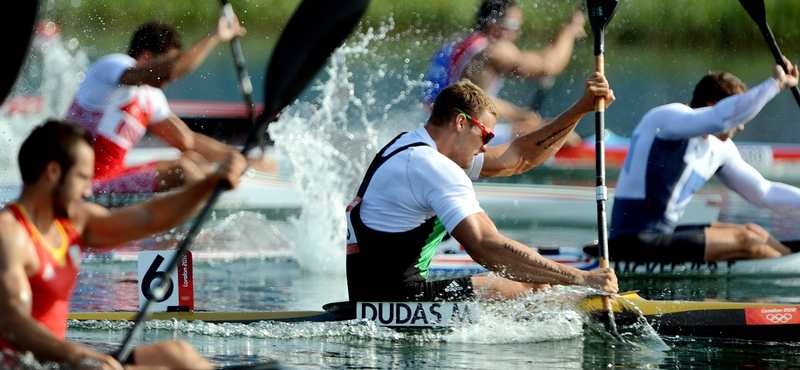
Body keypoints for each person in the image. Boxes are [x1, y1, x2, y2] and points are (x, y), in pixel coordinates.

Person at [346, 74, 617, 303]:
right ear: (460, 123)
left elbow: (519, 157)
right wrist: (581, 278)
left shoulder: (408, 146)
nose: (487, 144)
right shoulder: (432, 167)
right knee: (536, 289)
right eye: (486, 134)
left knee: (535, 277)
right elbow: (487, 247)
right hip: (401, 300)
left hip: (374, 298)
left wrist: (580, 109)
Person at [0, 120, 247, 369]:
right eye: (83, 178)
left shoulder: (76, 223)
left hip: (63, 361)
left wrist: (209, 183)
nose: (87, 191)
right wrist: (78, 357)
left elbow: (151, 217)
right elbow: (12, 323)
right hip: (29, 364)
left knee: (177, 353)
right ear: (53, 172)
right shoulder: (9, 233)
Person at [609, 57, 800, 263]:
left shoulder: (721, 148)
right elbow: (722, 118)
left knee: (754, 231)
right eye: (740, 119)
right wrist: (776, 84)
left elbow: (765, 192)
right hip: (631, 242)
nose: (742, 126)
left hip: (662, 235)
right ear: (712, 106)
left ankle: (786, 262)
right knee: (747, 240)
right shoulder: (667, 119)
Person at [64, 11, 258, 195]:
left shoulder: (151, 96)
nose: (170, 80)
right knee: (182, 170)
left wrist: (242, 159)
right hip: (81, 184)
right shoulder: (112, 67)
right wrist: (215, 35)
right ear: (147, 57)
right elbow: (170, 71)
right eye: (168, 61)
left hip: (112, 177)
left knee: (194, 161)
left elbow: (187, 141)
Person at [423, 0, 586, 146]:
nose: (518, 33)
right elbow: (548, 66)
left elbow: (475, 99)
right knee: (562, 133)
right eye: (515, 27)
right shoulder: (490, 50)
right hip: (457, 138)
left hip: (437, 130)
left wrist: (518, 114)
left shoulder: (459, 42)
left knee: (543, 126)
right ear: (495, 26)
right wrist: (570, 30)